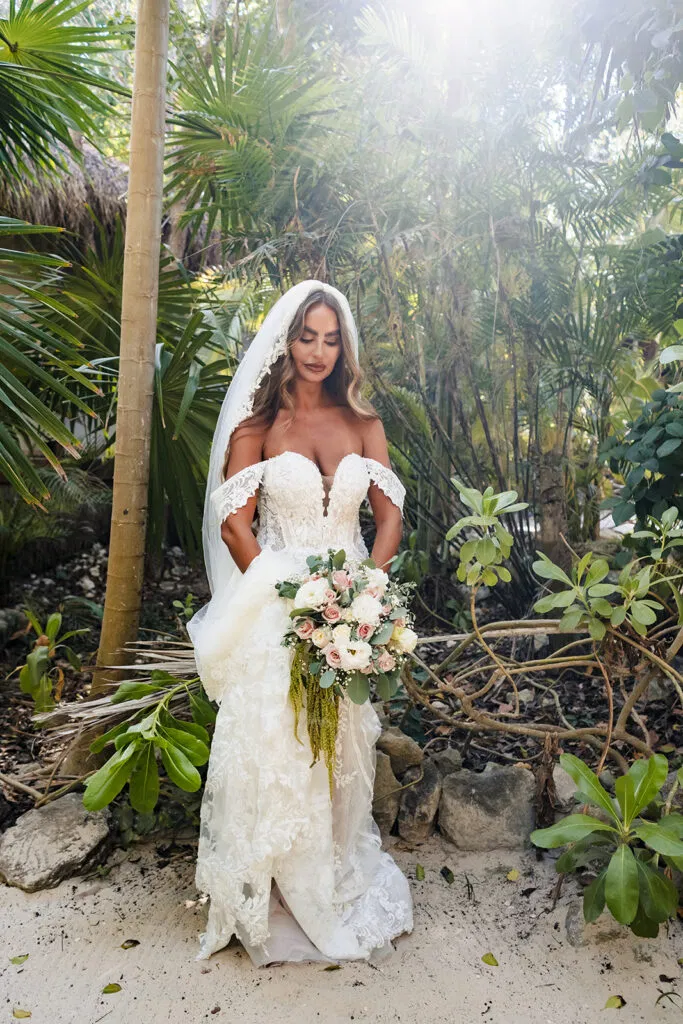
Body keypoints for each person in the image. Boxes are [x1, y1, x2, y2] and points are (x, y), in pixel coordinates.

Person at [187, 279, 413, 966]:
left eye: (330, 337)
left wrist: (363, 592)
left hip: (349, 604)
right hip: (276, 604)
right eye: (305, 335)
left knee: (341, 741)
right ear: (285, 342)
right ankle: (269, 889)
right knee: (274, 746)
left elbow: (389, 517)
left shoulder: (362, 424)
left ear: (343, 345)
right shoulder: (257, 430)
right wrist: (284, 590)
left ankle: (326, 872)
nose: (317, 350)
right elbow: (232, 524)